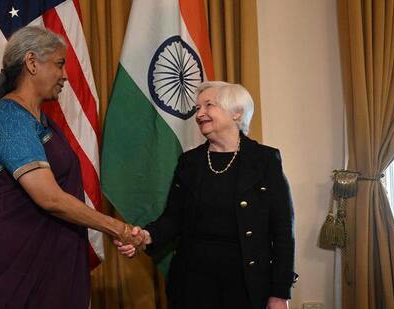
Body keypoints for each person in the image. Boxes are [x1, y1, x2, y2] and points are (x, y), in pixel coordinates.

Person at [0, 26, 143, 309]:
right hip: (12, 260)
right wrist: (116, 227)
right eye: (60, 64)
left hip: (50, 257)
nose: (66, 76)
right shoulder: (9, 117)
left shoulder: (42, 122)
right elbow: (49, 197)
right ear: (32, 63)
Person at [116, 81, 298, 309]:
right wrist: (145, 236)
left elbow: (283, 231)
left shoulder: (265, 161)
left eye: (208, 105)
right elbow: (173, 219)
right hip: (192, 286)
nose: (199, 114)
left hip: (246, 287)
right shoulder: (189, 162)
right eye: (197, 108)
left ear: (237, 113)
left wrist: (279, 293)